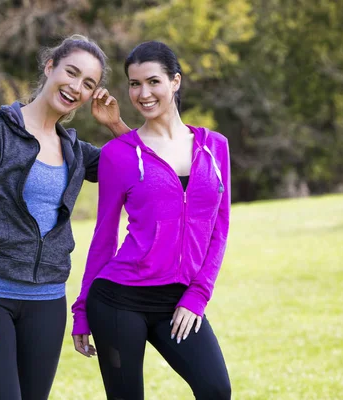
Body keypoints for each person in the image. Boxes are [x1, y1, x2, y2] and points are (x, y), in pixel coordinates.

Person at [0, 34, 130, 400]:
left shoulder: (76, 151)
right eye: (71, 72)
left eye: (89, 84)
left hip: (48, 301)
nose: (76, 87)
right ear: (50, 67)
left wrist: (115, 125)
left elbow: (140, 166)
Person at [71, 41, 232, 399]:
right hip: (118, 300)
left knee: (216, 389)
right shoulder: (118, 154)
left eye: (153, 81)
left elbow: (220, 228)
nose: (143, 93)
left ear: (175, 82)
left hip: (179, 299)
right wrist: (82, 309)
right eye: (133, 83)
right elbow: (104, 236)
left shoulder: (214, 146)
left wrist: (198, 296)